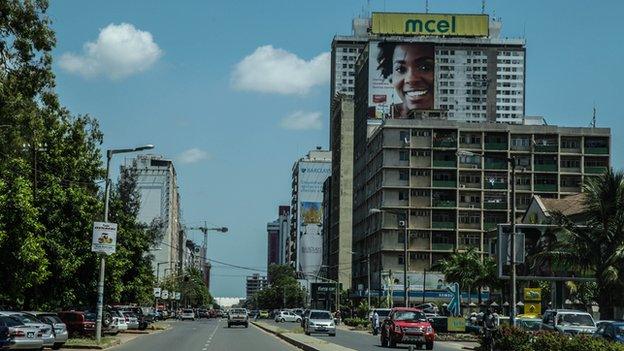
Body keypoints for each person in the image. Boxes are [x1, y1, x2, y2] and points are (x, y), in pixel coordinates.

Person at [376, 42, 435, 118]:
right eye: (400, 69)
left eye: (424, 68)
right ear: (391, 77)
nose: (411, 79)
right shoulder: (381, 115)